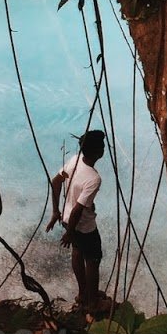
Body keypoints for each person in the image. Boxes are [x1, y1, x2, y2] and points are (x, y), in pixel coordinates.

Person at [49, 129, 106, 311]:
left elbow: (55, 182)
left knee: (77, 252)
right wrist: (70, 232)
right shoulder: (94, 178)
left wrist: (55, 211)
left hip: (66, 219)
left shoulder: (75, 160)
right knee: (93, 259)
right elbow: (78, 211)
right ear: (99, 152)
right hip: (83, 226)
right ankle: (92, 303)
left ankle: (83, 294)